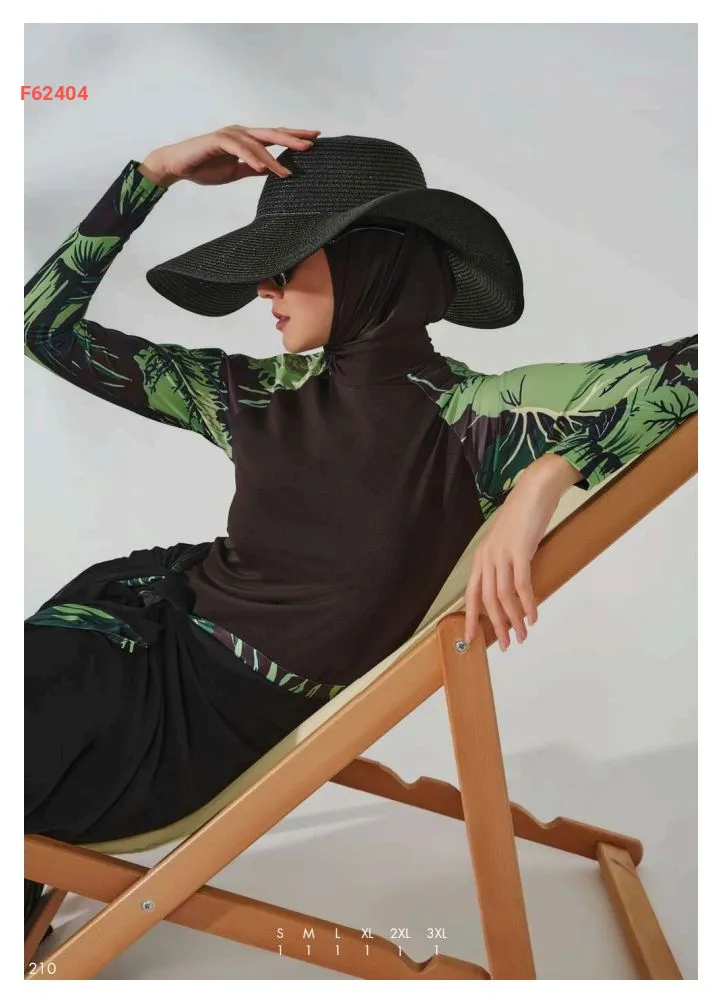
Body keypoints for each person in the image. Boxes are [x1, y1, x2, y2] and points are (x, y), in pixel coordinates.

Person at [24, 125, 698, 927]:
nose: (263, 291)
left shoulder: (480, 421)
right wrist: (152, 173)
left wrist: (549, 474)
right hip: (123, 634)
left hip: (180, 728)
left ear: (367, 260)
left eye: (284, 265)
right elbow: (43, 330)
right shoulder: (252, 394)